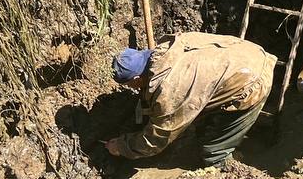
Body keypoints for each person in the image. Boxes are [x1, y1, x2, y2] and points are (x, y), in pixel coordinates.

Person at [102, 33, 275, 168]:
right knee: (202, 122)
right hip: (246, 52)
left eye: (129, 84)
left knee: (213, 151)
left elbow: (156, 140)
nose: (130, 88)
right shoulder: (167, 48)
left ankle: (227, 173)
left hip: (252, 79)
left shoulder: (170, 89)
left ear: (137, 79)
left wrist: (122, 146)